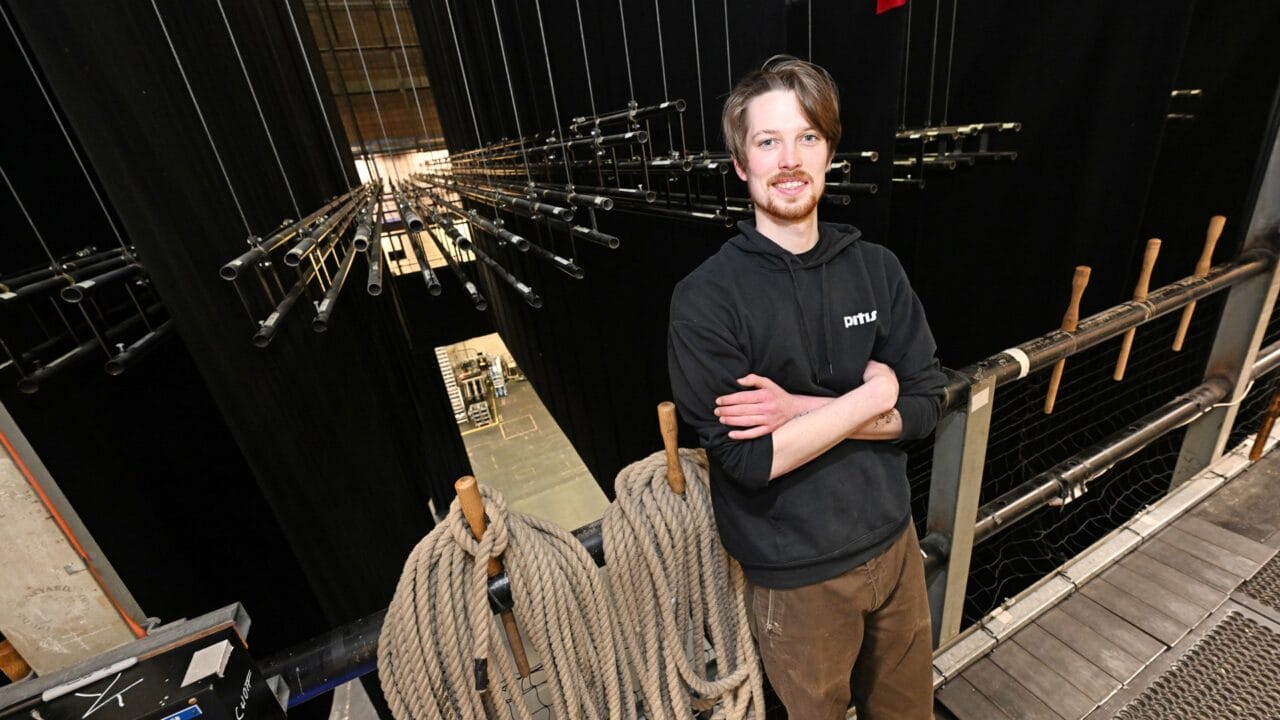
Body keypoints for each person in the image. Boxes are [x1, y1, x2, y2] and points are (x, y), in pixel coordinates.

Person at [667, 56, 946, 720]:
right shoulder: (706, 300)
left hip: (896, 545)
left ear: (829, 152)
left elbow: (927, 403)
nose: (788, 159)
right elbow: (749, 460)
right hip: (797, 579)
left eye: (807, 138)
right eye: (768, 142)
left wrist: (799, 410)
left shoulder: (877, 271)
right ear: (741, 164)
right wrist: (872, 397)